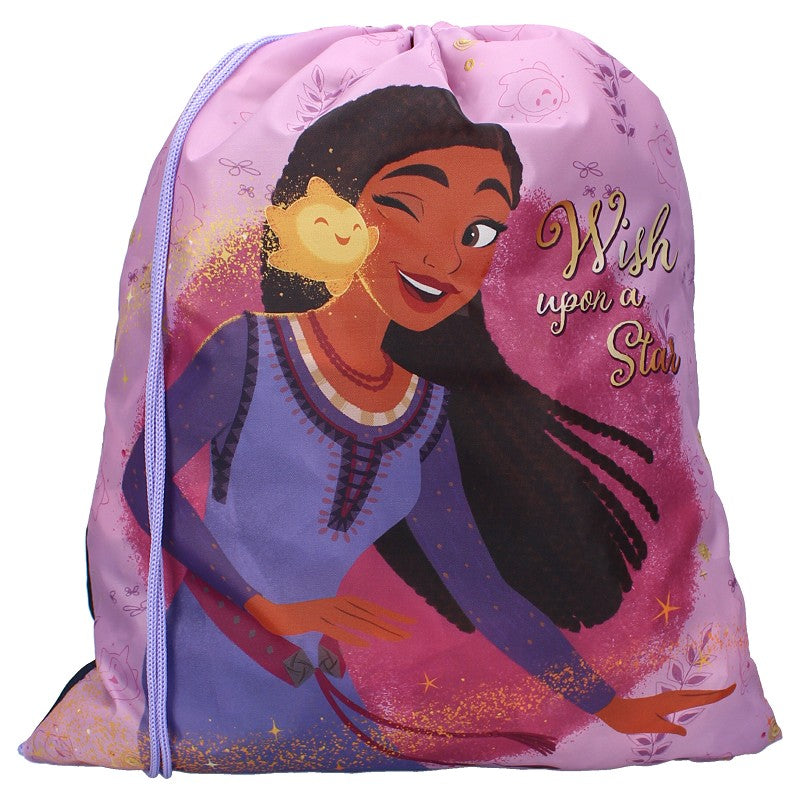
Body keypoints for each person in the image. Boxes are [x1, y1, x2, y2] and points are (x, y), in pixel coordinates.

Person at [122, 84, 732, 773]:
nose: (447, 260)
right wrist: (269, 608)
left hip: (320, 692)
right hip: (211, 672)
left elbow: (482, 589)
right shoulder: (249, 349)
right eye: (410, 209)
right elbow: (144, 484)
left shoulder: (426, 413)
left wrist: (607, 707)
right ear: (335, 215)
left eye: (478, 233)